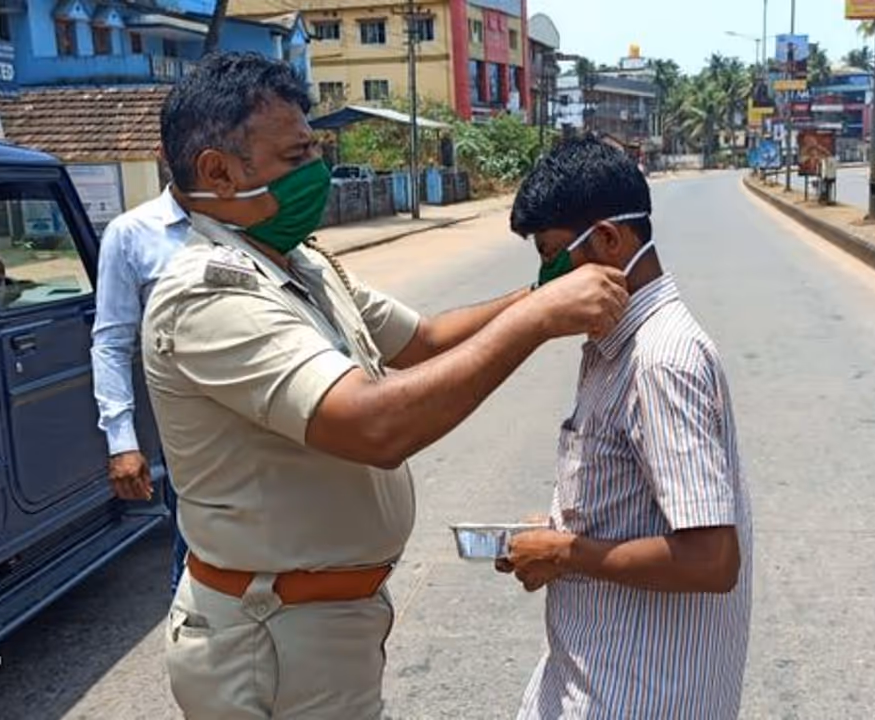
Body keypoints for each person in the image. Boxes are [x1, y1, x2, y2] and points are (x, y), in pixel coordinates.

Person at [142, 53, 628, 719]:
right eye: (295, 155)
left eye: (314, 147)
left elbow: (424, 339)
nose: (316, 170)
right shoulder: (209, 296)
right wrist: (541, 319)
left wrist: (545, 290)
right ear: (219, 173)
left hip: (321, 625)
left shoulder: (300, 266)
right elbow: (375, 426)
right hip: (270, 636)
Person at [497, 135, 754, 720]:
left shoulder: (659, 358)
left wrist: (565, 551)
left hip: (636, 695)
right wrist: (556, 533)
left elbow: (712, 559)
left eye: (553, 254)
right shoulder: (614, 346)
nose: (545, 280)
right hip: (596, 674)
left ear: (610, 241)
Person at [90, 178, 191, 595]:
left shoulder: (253, 221)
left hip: (269, 430)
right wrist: (123, 442)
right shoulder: (133, 233)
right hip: (192, 440)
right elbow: (112, 343)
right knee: (197, 569)